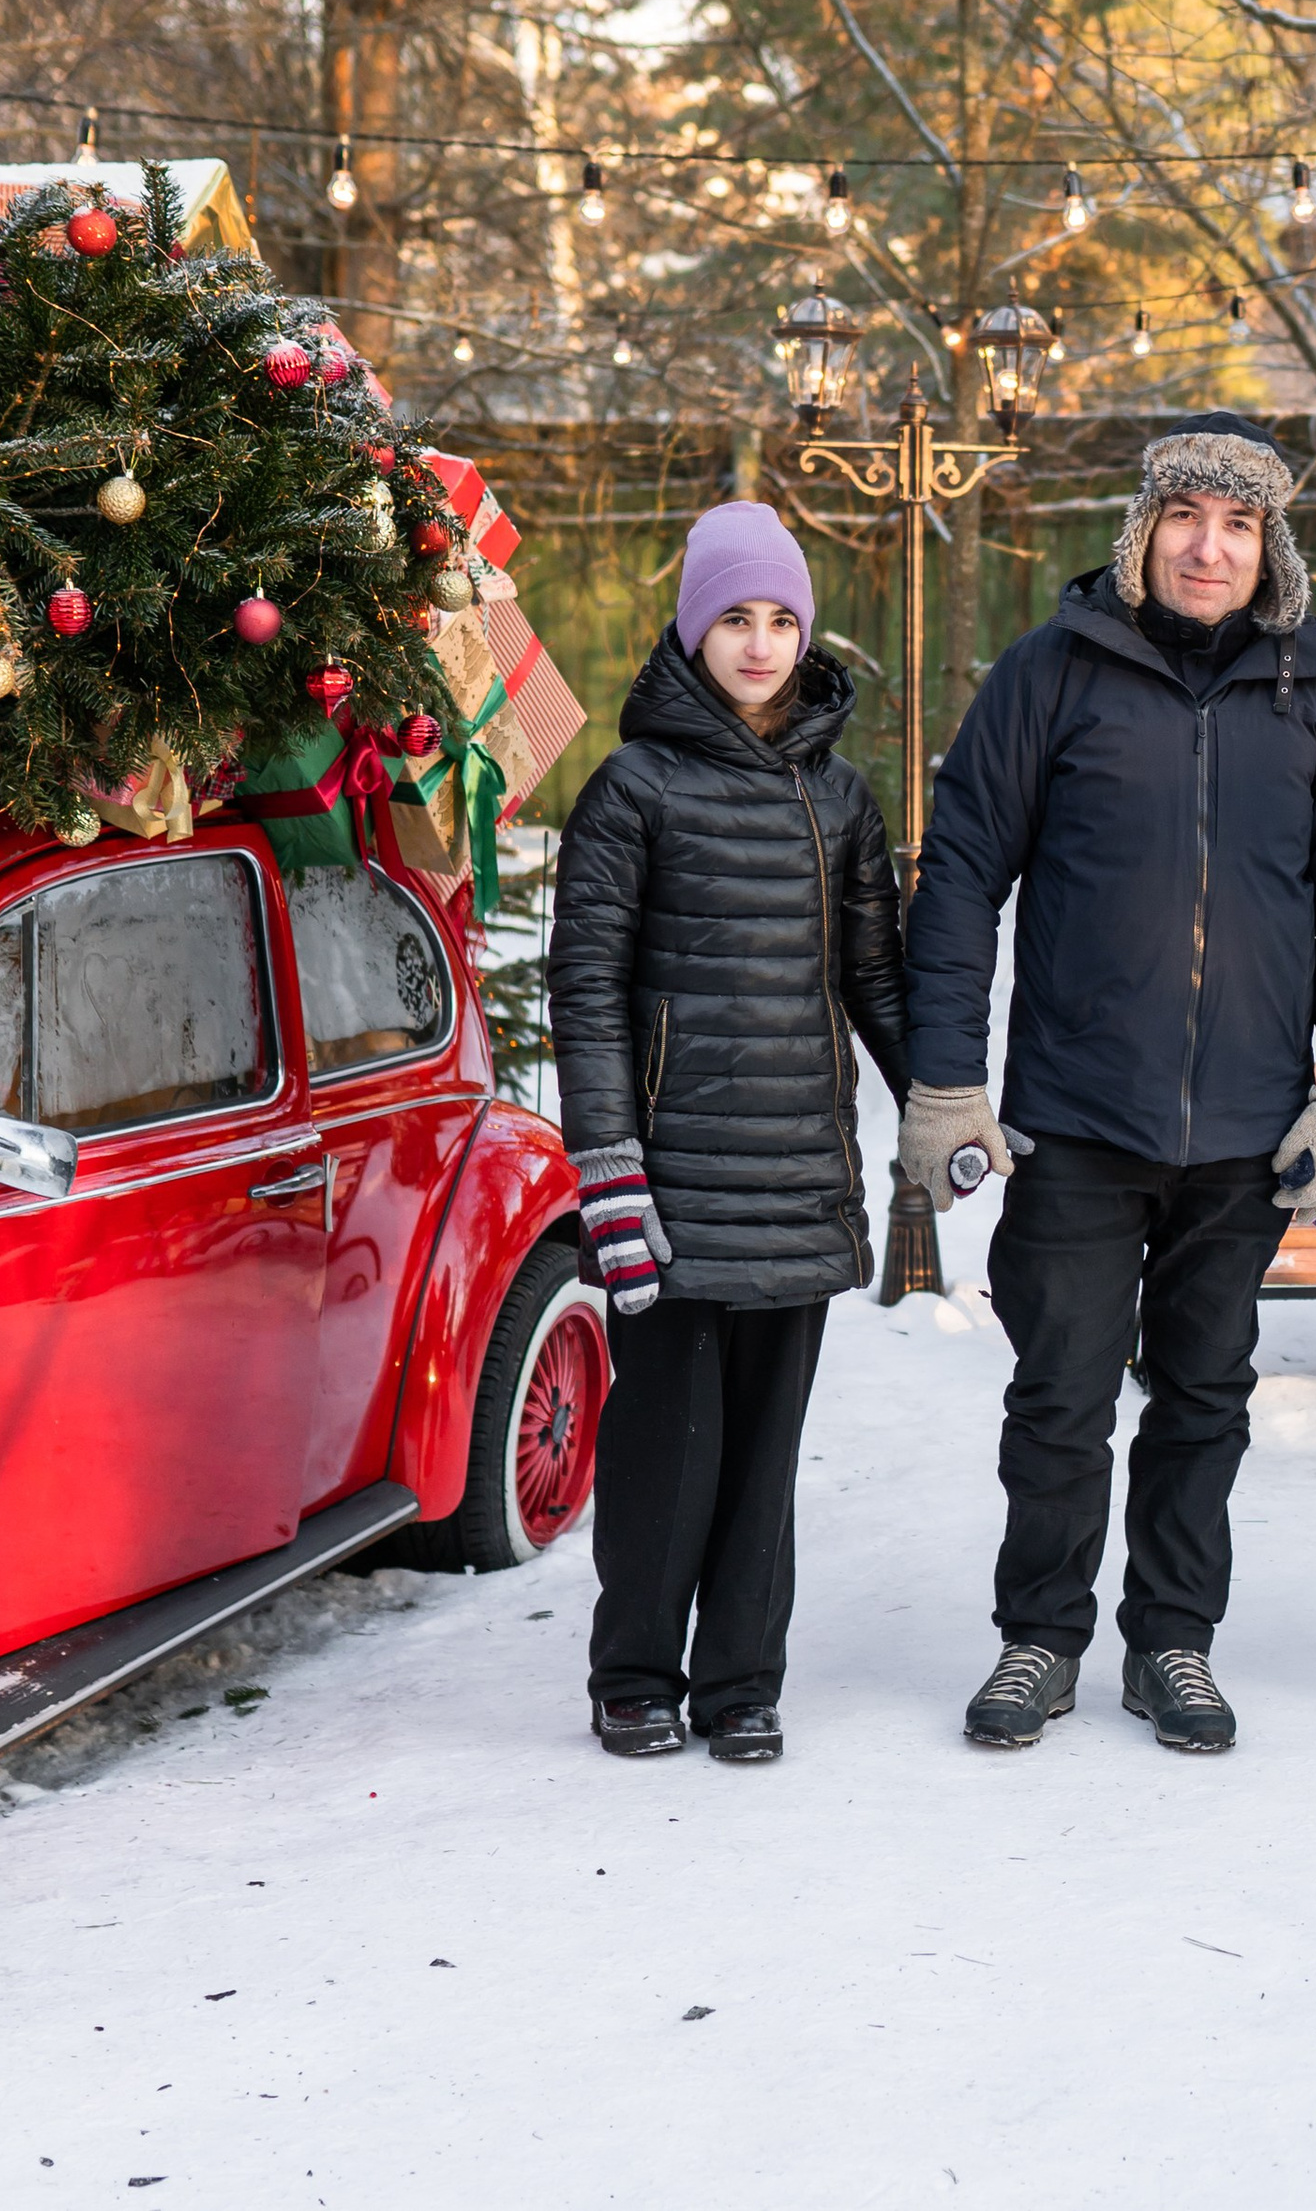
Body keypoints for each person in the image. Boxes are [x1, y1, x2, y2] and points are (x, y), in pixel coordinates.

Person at [900, 412, 1316, 1753]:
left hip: (1247, 1130)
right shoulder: (1051, 673)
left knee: (1204, 1398)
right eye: (1188, 516)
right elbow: (958, 876)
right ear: (1144, 530)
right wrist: (948, 1080)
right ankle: (1039, 1639)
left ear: (1268, 548)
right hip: (1077, 1114)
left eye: (1239, 525)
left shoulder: (1312, 694)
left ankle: (1174, 1641)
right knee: (1058, 1394)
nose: (1210, 545)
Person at [549, 499, 909, 1764]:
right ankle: (637, 1670)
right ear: (694, 628)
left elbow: (877, 980)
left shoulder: (842, 796)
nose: (759, 644)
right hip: (671, 1178)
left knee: (764, 1455)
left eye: (780, 619)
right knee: (665, 1443)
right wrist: (606, 1167)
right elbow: (584, 991)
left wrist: (941, 1103)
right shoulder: (631, 790)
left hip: (801, 1171)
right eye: (734, 618)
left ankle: (744, 1680)